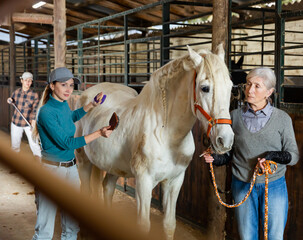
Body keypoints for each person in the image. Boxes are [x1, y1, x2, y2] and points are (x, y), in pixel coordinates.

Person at [203, 67, 299, 240]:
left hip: (274, 186)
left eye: (257, 86)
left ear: (269, 92)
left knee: (275, 236)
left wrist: (273, 156)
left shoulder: (282, 119)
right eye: (248, 84)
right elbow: (229, 154)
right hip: (242, 185)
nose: (250, 90)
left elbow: (293, 156)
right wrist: (215, 159)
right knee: (247, 236)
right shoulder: (234, 117)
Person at [31, 67, 113, 240]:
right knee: (44, 230)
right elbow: (67, 143)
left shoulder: (62, 105)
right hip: (52, 172)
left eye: (71, 85)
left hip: (71, 170)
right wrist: (99, 133)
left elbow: (72, 117)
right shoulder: (45, 112)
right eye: (63, 85)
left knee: (71, 226)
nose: (69, 89)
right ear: (52, 86)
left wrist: (92, 105)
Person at [7, 72, 41, 158]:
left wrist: (33, 122)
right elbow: (11, 100)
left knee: (35, 145)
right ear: (21, 80)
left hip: (28, 124)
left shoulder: (34, 95)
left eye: (30, 81)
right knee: (15, 146)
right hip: (16, 122)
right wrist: (9, 100)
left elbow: (35, 110)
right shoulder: (16, 92)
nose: (28, 83)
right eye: (26, 80)